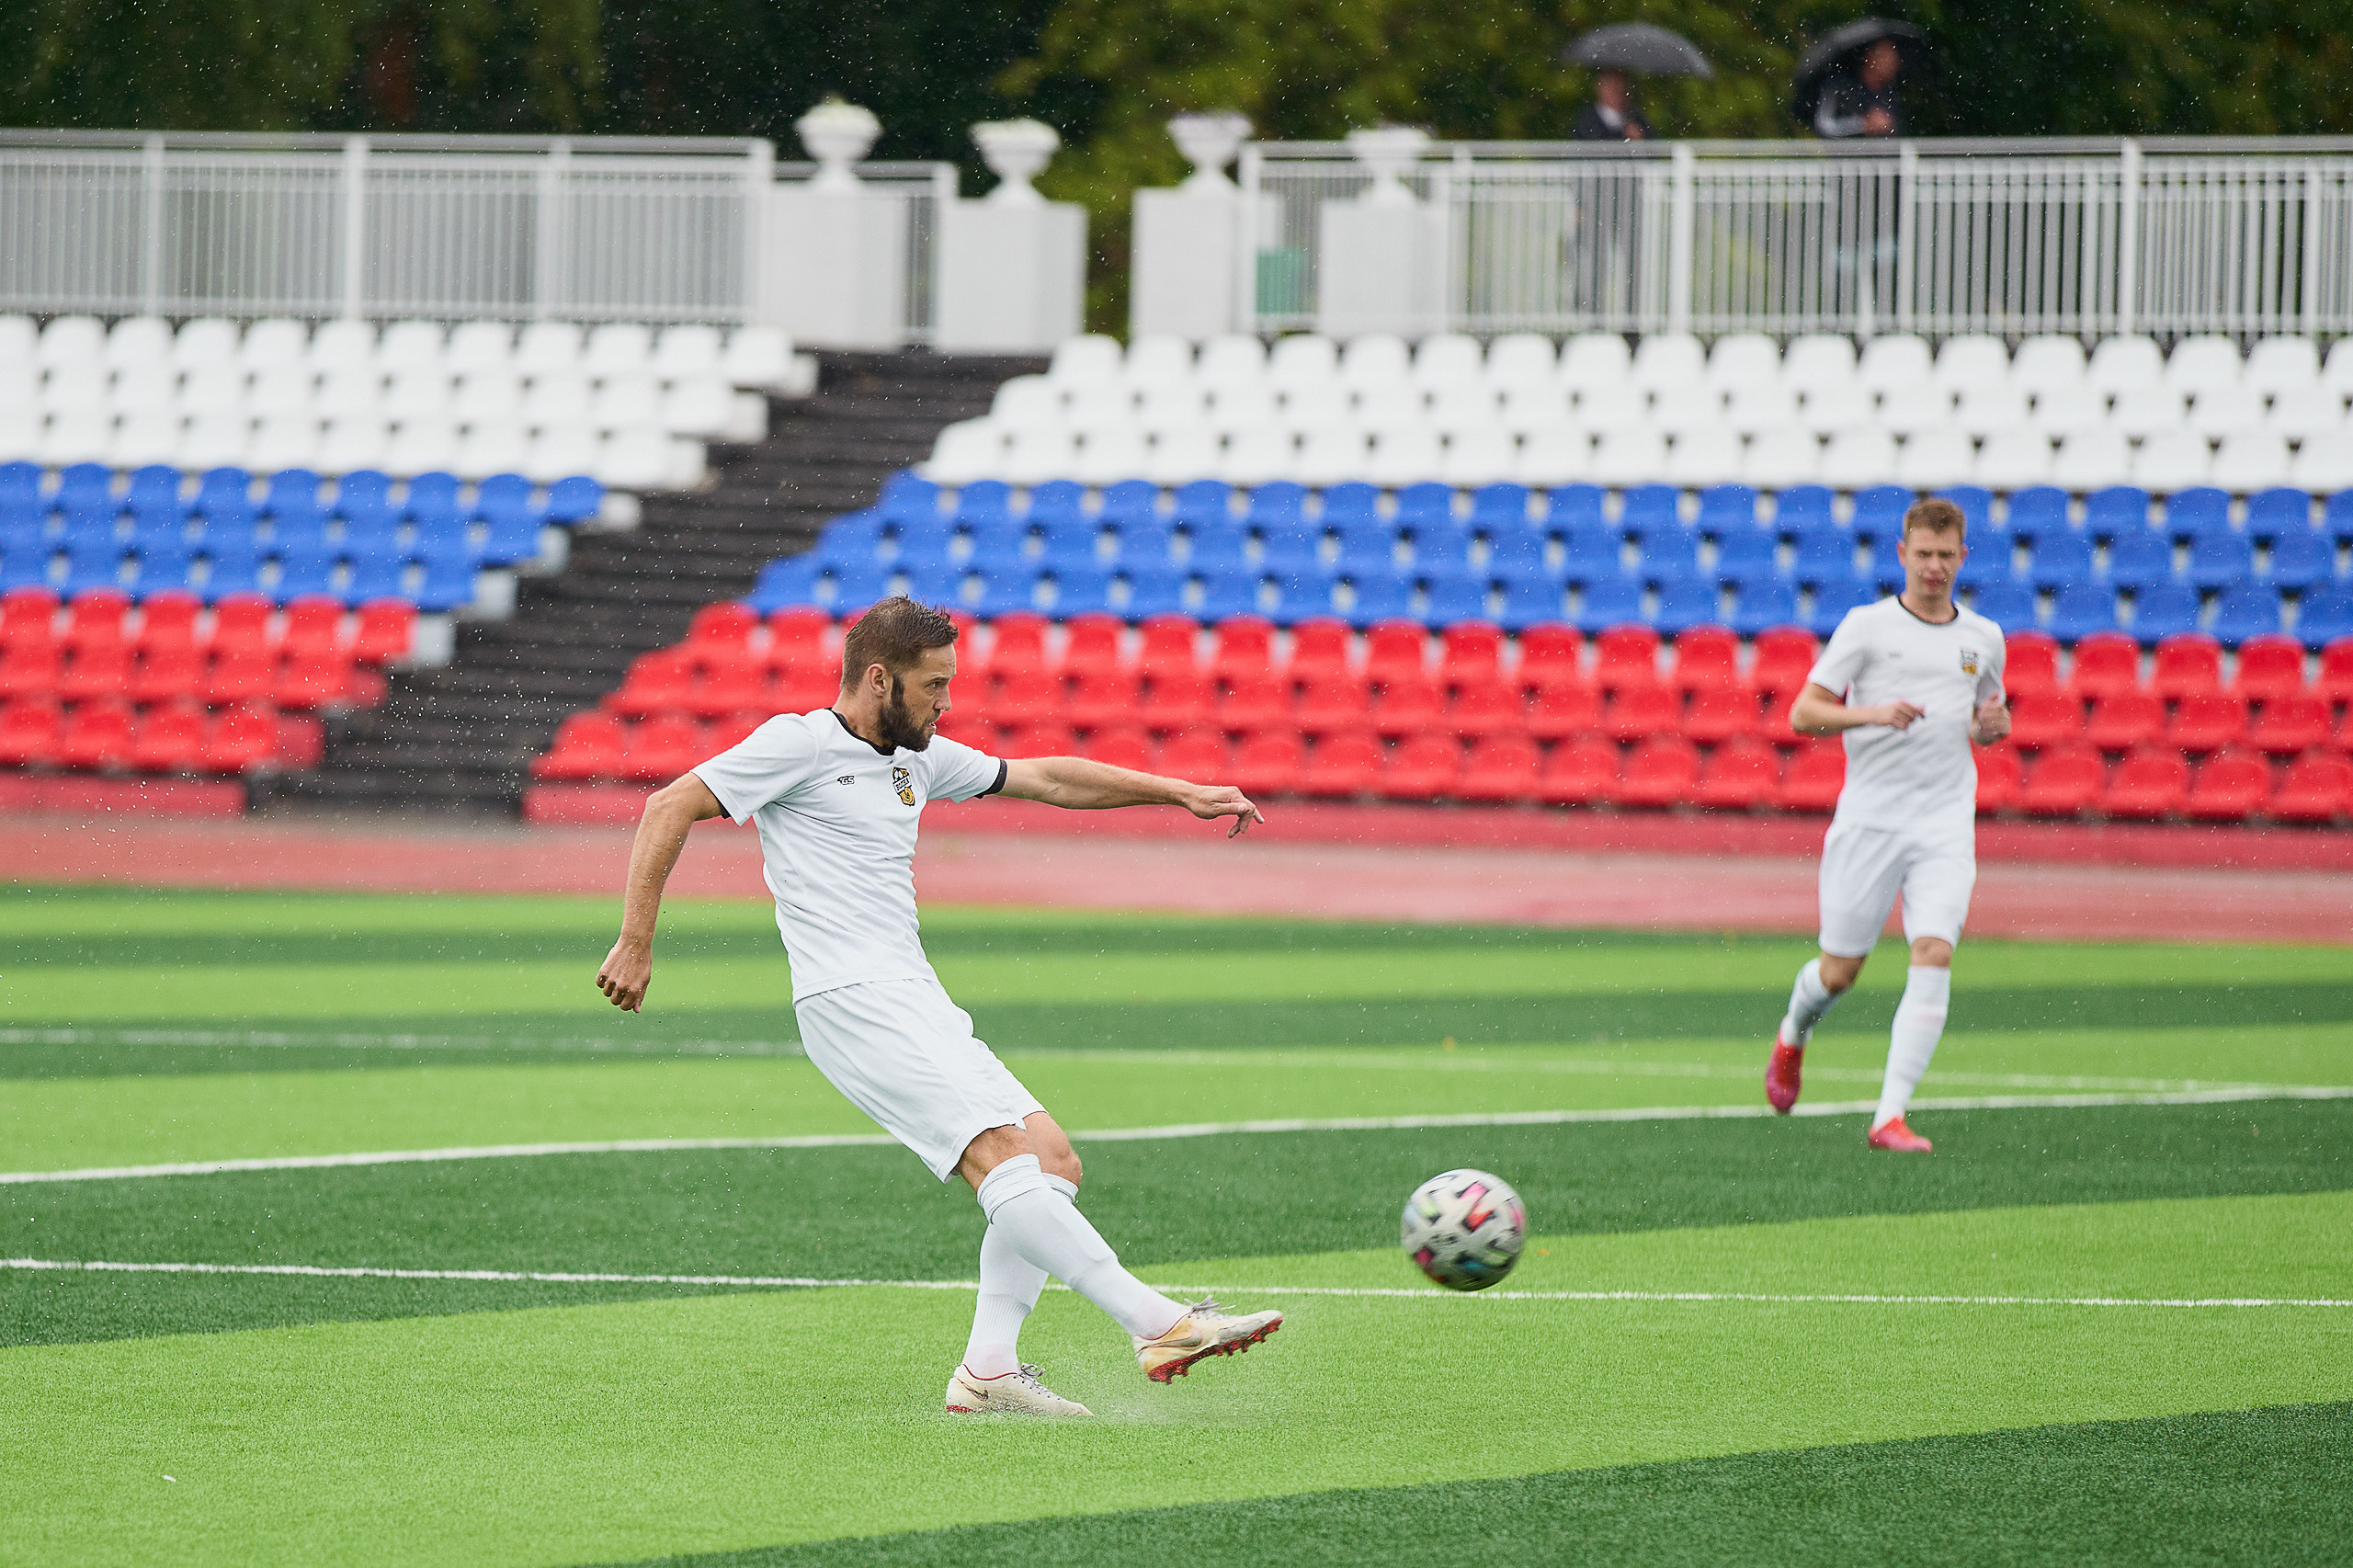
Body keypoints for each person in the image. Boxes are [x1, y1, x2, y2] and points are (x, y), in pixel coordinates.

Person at [596, 596, 1282, 1415]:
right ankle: (1159, 1323)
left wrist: (1183, 794)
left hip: (912, 994)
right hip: (851, 999)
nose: (945, 702)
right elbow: (669, 803)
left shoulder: (915, 760)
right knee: (1000, 1157)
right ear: (878, 677)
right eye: (933, 685)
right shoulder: (801, 742)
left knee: (1053, 1159)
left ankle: (988, 1373)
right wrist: (636, 941)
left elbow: (1049, 776)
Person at [1764, 497, 2011, 1151]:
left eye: (1945, 554)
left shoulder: (1982, 638)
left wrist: (1994, 729)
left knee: (1934, 951)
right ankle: (1793, 1034)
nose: (1934, 566)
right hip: (1871, 819)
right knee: (1838, 972)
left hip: (1944, 822)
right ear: (1902, 554)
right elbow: (1803, 713)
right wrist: (1872, 714)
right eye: (1923, 554)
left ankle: (1889, 1115)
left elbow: (1988, 715)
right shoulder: (1867, 627)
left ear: (1964, 556)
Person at [1814, 38, 1903, 139]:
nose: (1893, 64)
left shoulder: (1889, 94)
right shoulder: (1840, 86)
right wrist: (1862, 124)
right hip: (1845, 153)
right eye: (1887, 57)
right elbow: (1824, 126)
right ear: (1870, 56)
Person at [1573, 70, 1651, 141]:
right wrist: (1623, 137)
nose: (1618, 91)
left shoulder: (1637, 117)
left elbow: (1652, 142)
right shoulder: (1587, 119)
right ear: (1599, 88)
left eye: (1621, 85)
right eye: (1611, 85)